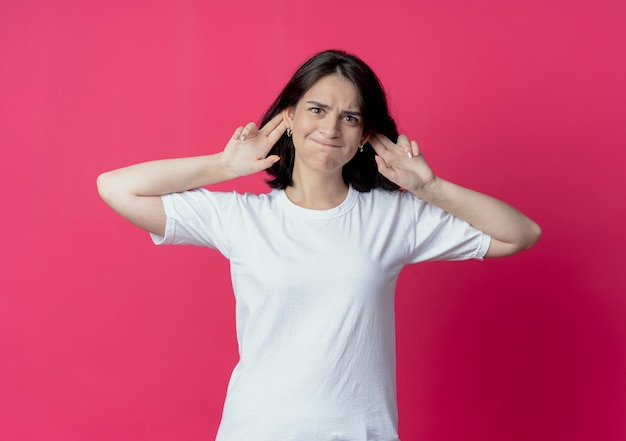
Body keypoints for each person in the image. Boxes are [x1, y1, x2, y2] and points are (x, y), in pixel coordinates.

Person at [97, 49, 541, 441]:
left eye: (349, 117)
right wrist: (221, 165)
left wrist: (431, 187)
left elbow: (520, 233)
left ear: (365, 135)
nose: (331, 128)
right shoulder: (242, 217)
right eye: (317, 109)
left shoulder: (393, 217)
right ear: (288, 117)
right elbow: (116, 188)